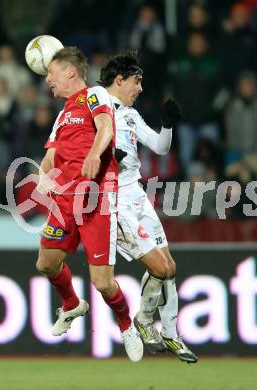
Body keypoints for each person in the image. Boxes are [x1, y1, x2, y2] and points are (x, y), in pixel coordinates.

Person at [36, 47, 143, 362]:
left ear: (70, 71)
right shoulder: (62, 113)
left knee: (102, 282)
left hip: (96, 197)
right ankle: (71, 305)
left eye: (51, 73)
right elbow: (50, 155)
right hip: (66, 199)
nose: (47, 79)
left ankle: (126, 325)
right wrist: (43, 176)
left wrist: (96, 154)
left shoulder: (95, 94)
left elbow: (106, 127)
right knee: (45, 263)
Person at [99, 51, 198, 363]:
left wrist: (167, 125)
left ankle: (169, 332)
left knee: (169, 268)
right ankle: (143, 322)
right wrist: (104, 160)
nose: (140, 88)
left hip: (137, 193)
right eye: (136, 81)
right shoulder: (96, 110)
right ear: (120, 80)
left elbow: (160, 147)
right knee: (158, 267)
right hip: (115, 201)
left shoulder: (128, 114)